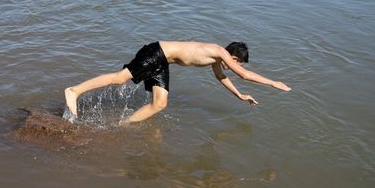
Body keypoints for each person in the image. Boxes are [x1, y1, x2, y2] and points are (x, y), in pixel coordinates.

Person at [64, 41, 292, 123]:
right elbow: (243, 75)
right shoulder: (219, 51)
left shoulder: (216, 58)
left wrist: (240, 96)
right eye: (238, 63)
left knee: (160, 104)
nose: (236, 68)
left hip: (163, 63)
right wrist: (273, 83)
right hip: (155, 53)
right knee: (121, 78)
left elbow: (222, 77)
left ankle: (124, 125)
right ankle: (75, 91)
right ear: (234, 58)